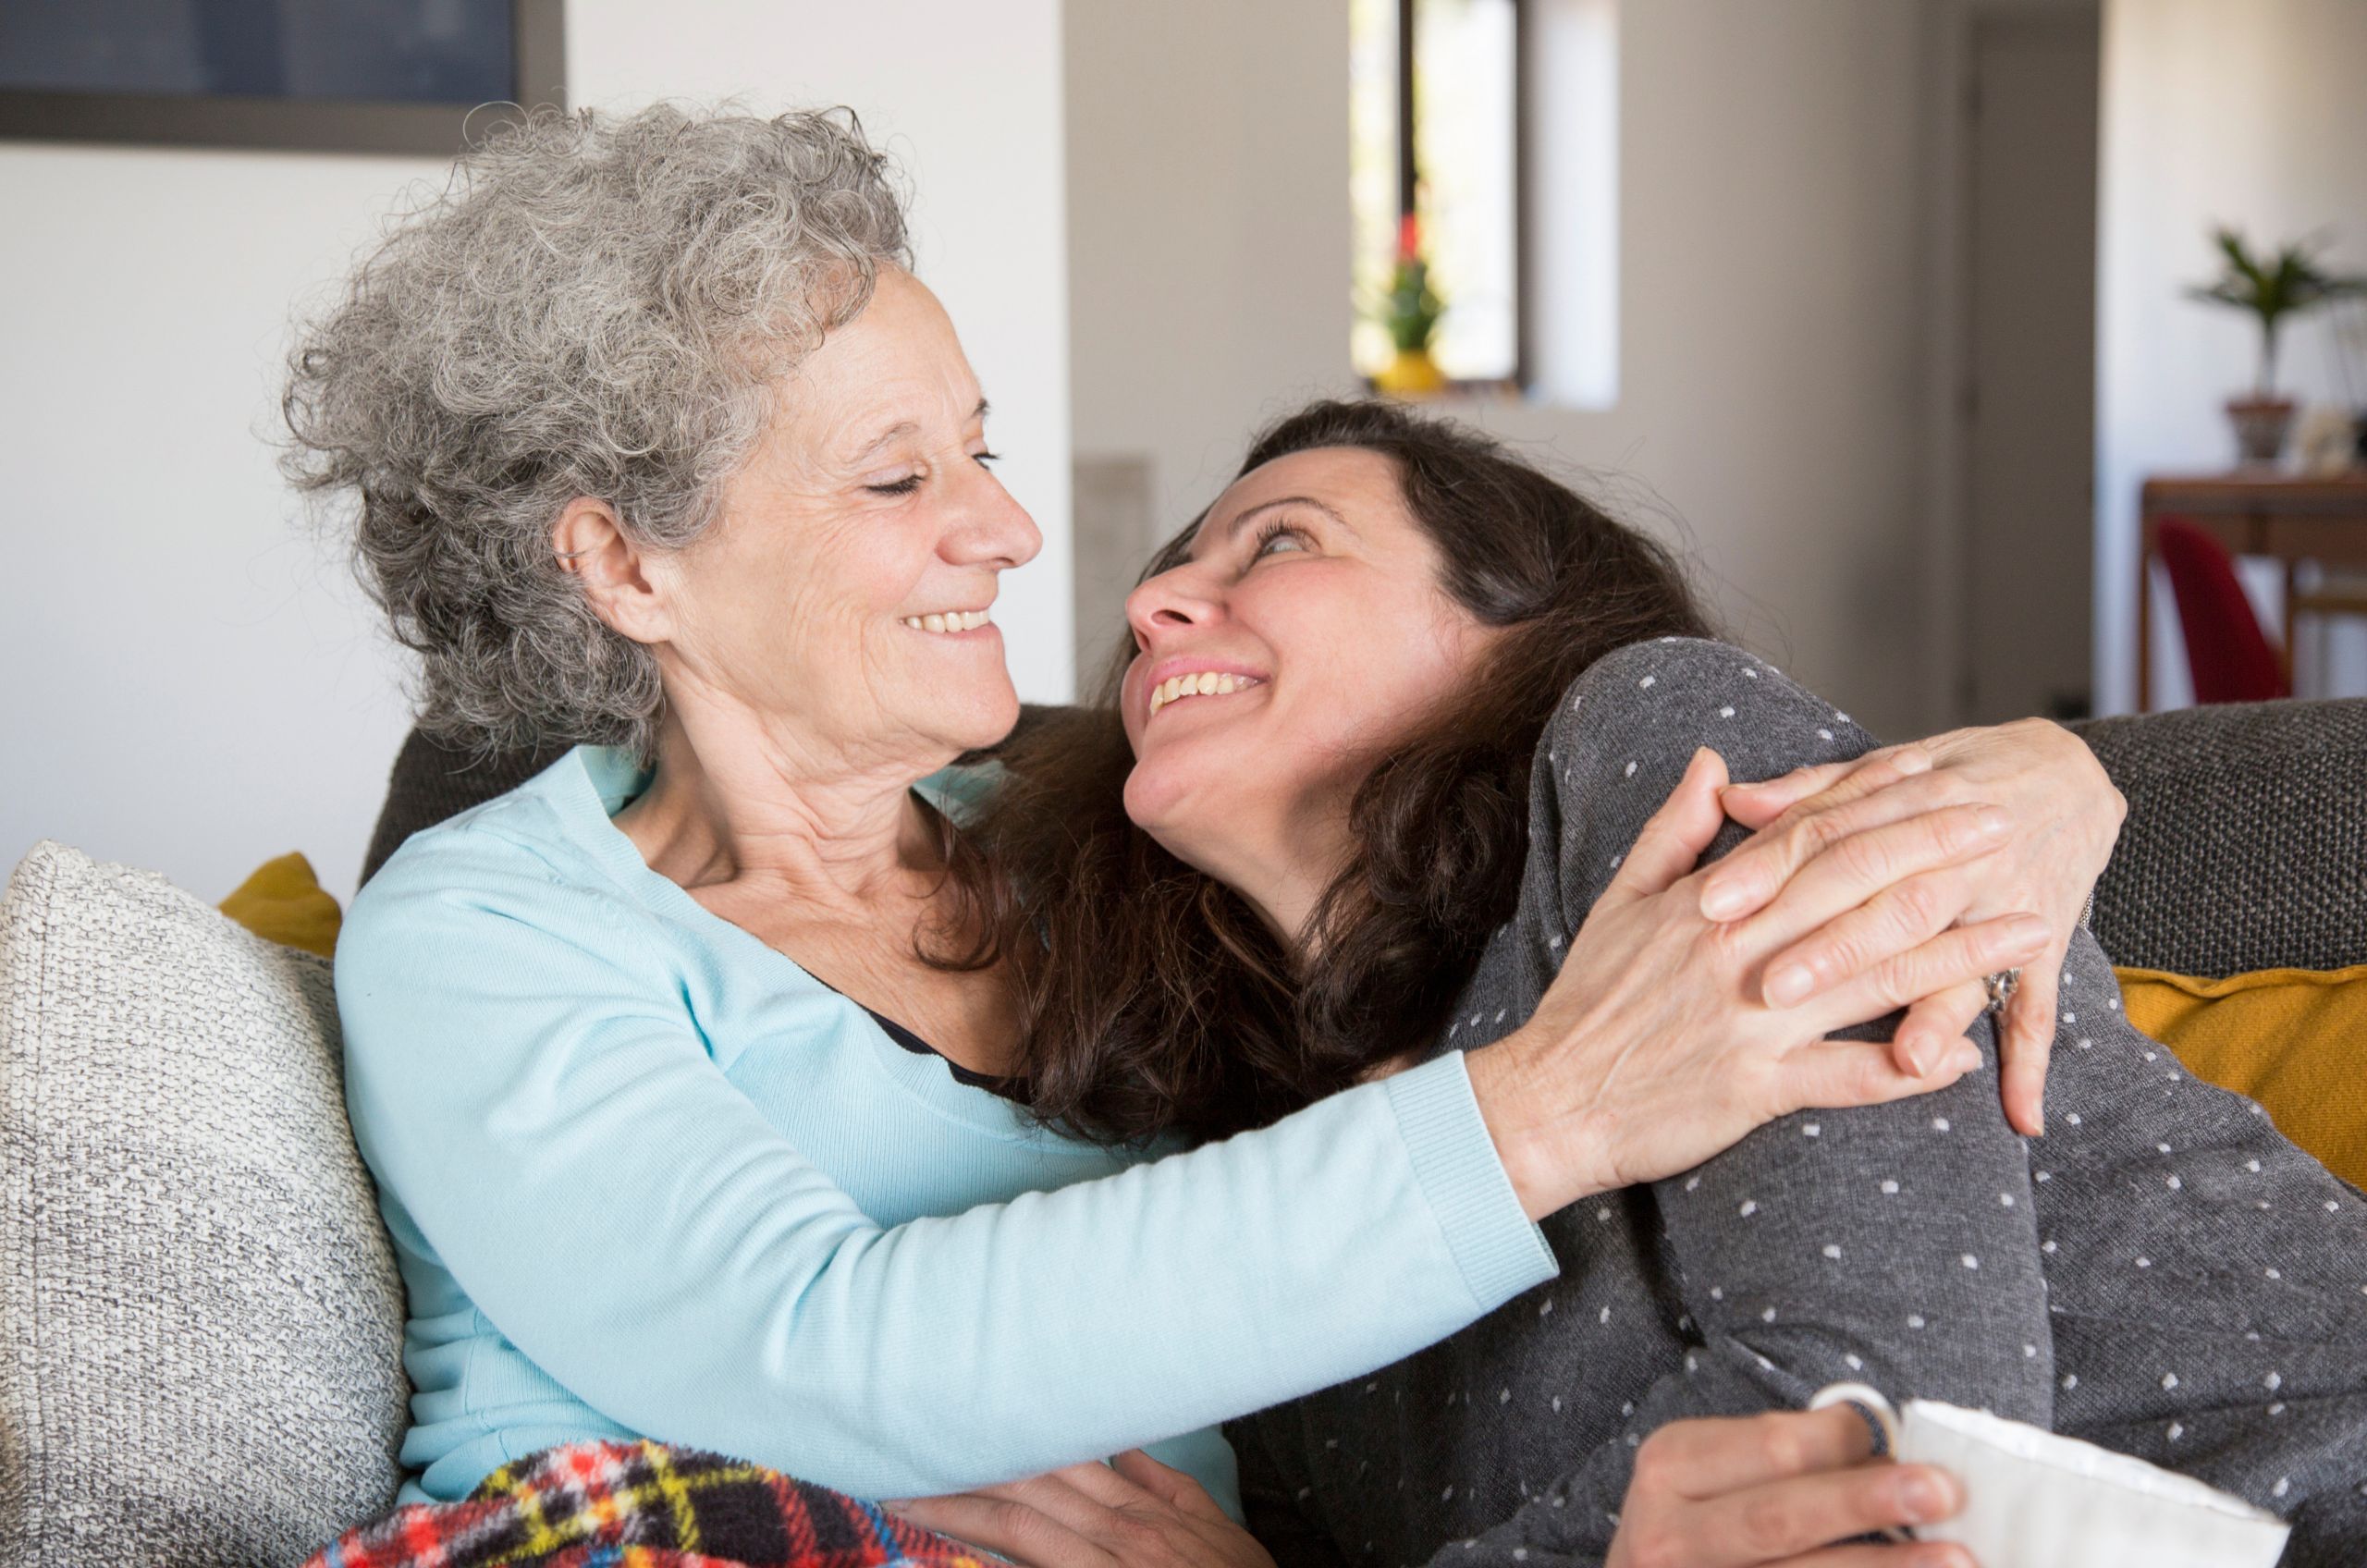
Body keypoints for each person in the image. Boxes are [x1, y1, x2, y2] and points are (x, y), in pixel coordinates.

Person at [294, 105, 2108, 1554]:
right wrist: (1552, 1103)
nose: (1009, 529)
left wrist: (2050, 775)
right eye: (897, 476)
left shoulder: (1121, 840)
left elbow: (1525, 838)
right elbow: (819, 1352)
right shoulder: (489, 926)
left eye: (981, 447)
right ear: (622, 562)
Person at [889, 400, 2367, 1568]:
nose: (1158, 610)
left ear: (1515, 627)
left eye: (1276, 543)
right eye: (1164, 581)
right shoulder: (1275, 1190)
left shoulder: (1661, 745)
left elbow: (1897, 1456)